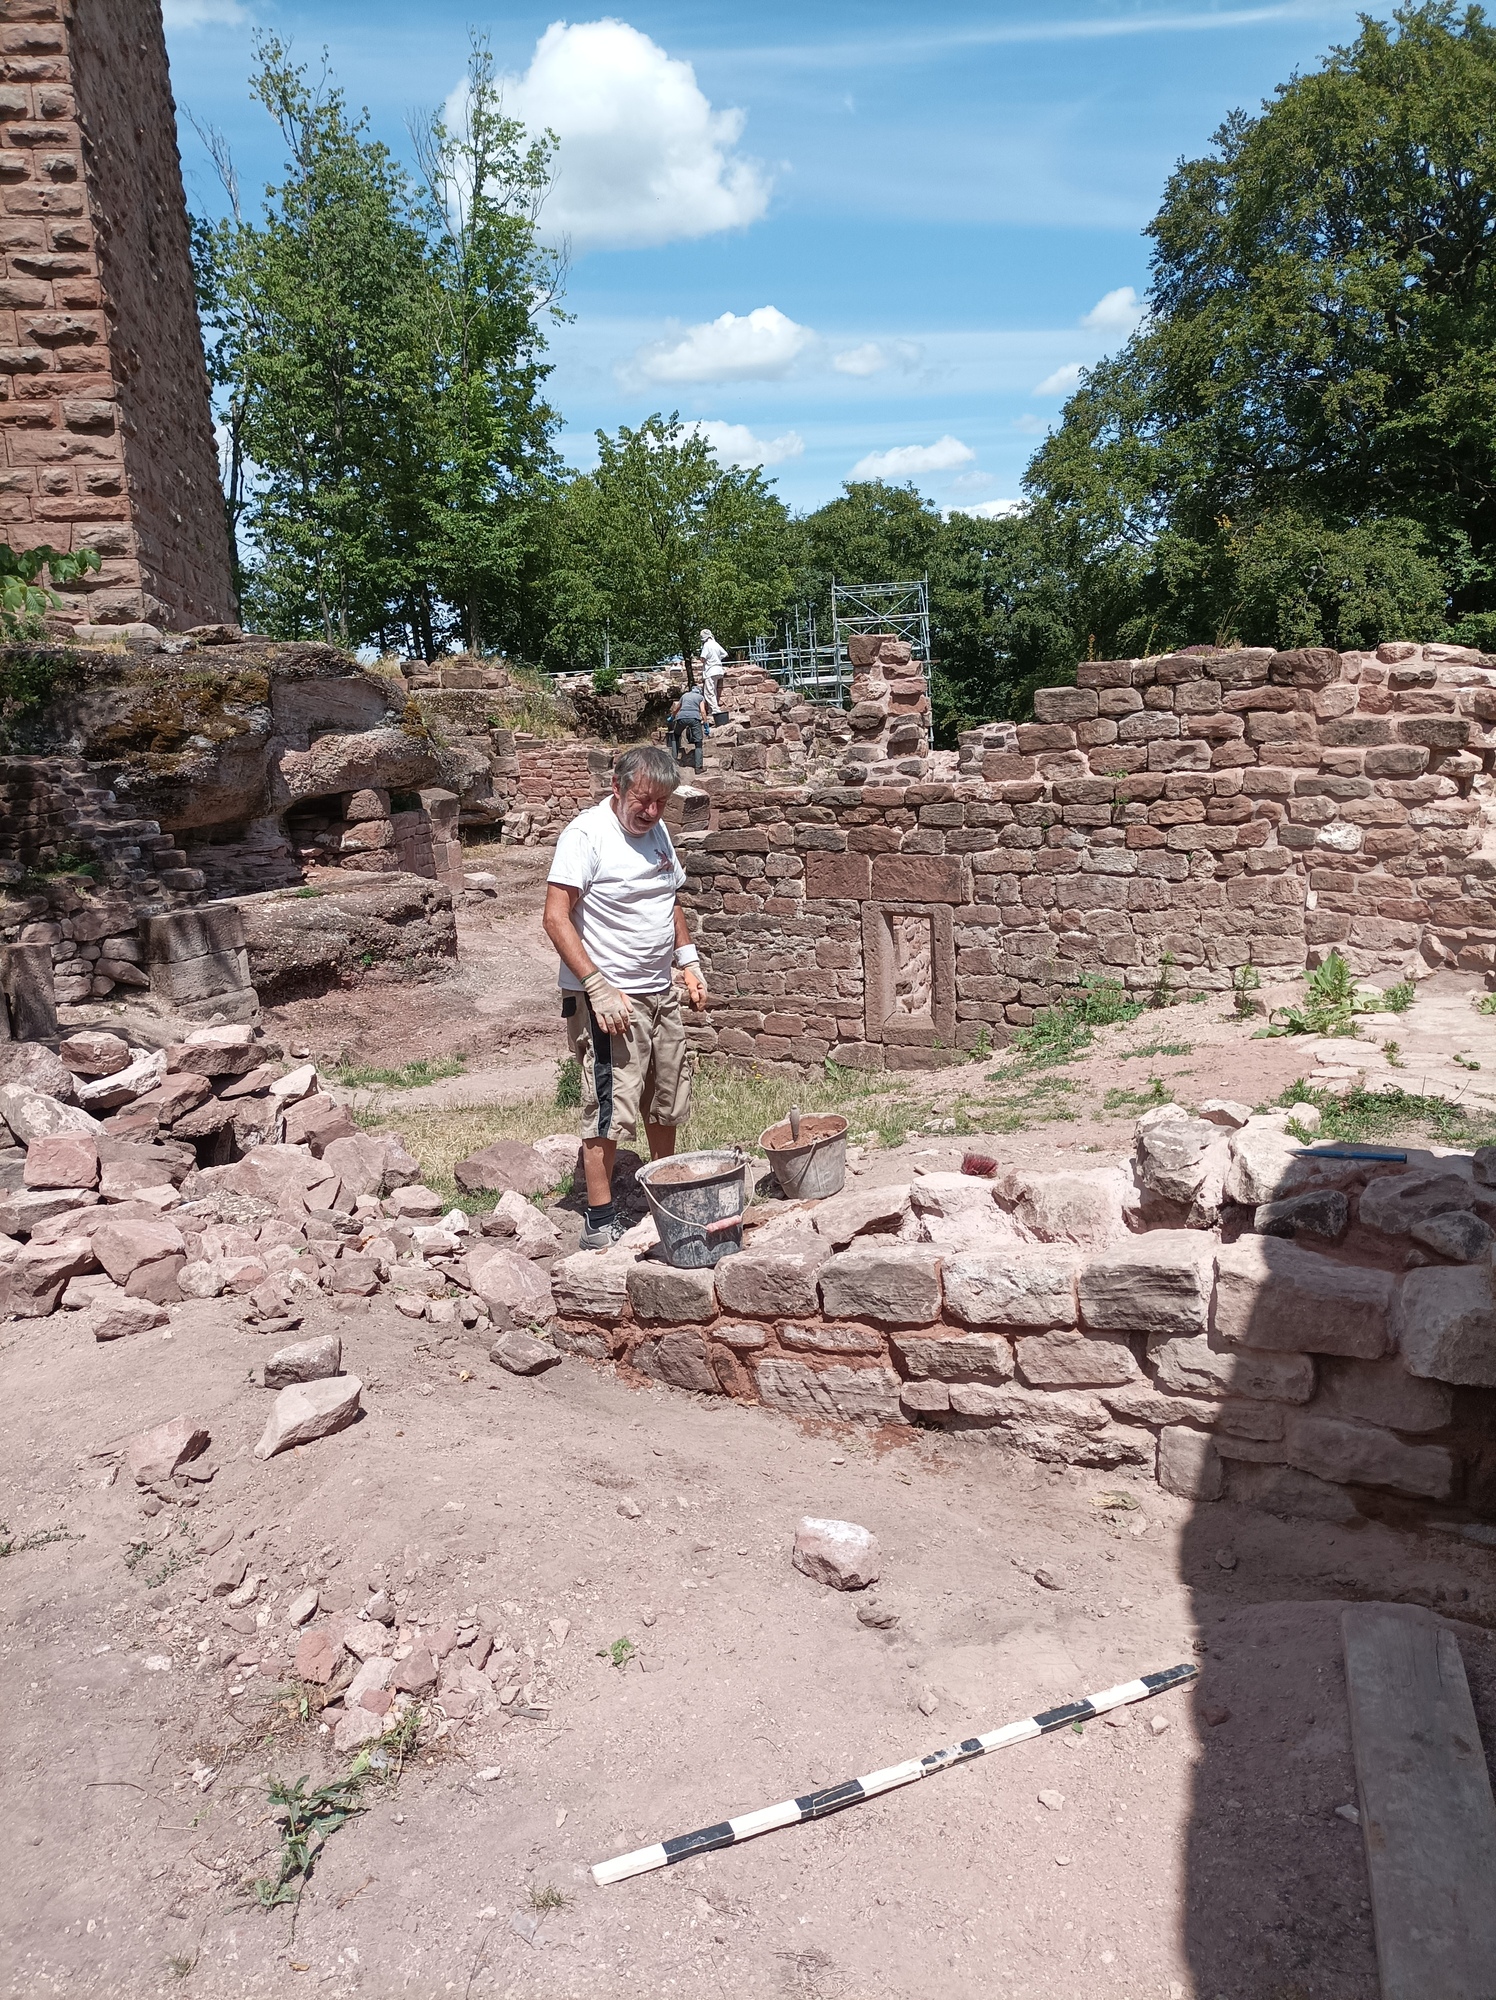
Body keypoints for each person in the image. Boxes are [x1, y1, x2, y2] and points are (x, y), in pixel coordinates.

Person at [542, 744, 709, 1250]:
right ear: (616, 787)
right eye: (643, 800)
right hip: (611, 998)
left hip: (660, 990)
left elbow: (668, 899)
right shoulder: (586, 835)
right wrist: (596, 986)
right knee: (610, 1105)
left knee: (666, 1097)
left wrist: (688, 961)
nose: (652, 811)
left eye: (661, 803)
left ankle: (665, 1195)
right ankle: (599, 1219)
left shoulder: (658, 831)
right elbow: (555, 917)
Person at [668, 683, 706, 772]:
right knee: (698, 741)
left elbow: (676, 708)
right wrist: (706, 723)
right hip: (694, 718)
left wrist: (672, 717)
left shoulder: (684, 695)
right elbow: (703, 711)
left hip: (681, 718)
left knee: (676, 735)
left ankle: (674, 761)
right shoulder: (700, 697)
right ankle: (698, 767)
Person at [699, 627, 727, 715]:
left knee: (708, 692)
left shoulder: (706, 645)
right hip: (718, 669)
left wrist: (708, 659)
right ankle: (712, 709)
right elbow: (725, 654)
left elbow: (702, 658)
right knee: (713, 690)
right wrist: (717, 658)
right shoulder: (715, 644)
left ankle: (715, 709)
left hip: (710, 670)